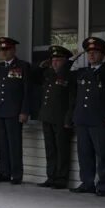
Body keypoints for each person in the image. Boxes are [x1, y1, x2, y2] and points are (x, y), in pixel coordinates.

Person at [70, 37, 105, 196]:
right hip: (82, 118)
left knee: (103, 154)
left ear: (103, 55)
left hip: (100, 120)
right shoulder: (82, 72)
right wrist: (74, 57)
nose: (91, 55)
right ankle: (87, 183)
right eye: (89, 52)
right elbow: (62, 74)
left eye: (95, 52)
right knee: (84, 154)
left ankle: (104, 185)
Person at [0, 37, 31, 185]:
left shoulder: (23, 66)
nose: (4, 52)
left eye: (6, 49)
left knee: (14, 144)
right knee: (1, 144)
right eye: (2, 50)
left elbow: (27, 91)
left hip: (14, 112)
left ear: (13, 50)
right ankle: (4, 172)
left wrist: (24, 111)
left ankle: (16, 175)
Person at [32, 46, 75, 189]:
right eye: (53, 60)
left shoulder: (69, 75)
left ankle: (61, 179)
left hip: (61, 118)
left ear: (65, 61)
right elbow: (33, 76)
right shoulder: (48, 73)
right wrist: (41, 65)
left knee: (62, 149)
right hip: (47, 116)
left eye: (59, 60)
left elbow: (71, 99)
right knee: (50, 149)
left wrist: (69, 118)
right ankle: (51, 176)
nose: (55, 63)